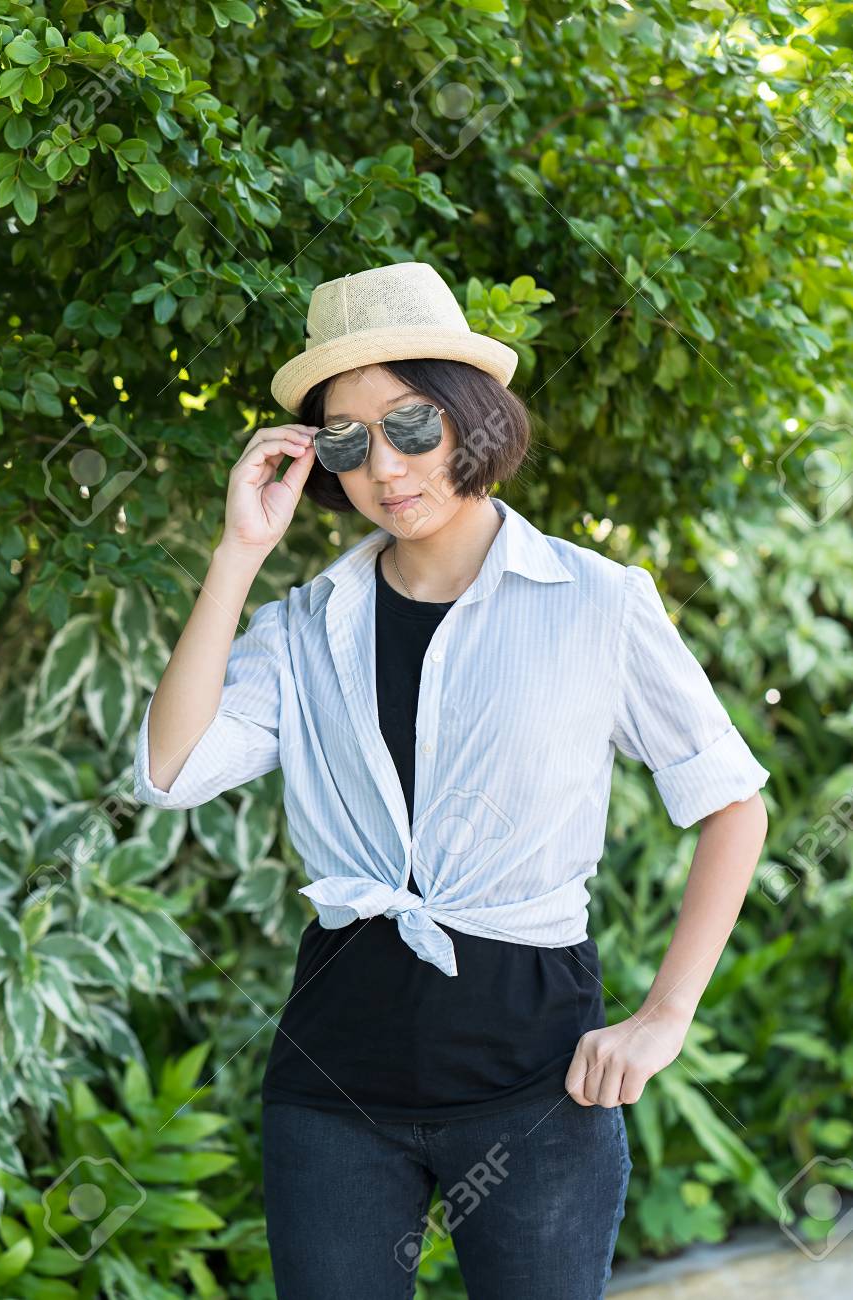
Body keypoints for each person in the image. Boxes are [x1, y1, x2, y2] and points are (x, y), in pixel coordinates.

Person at [133, 261, 770, 1299]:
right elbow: (171, 770)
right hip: (335, 1080)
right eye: (346, 440)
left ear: (469, 415)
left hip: (536, 1076)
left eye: (410, 423)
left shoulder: (593, 601)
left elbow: (729, 802)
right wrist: (240, 553)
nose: (384, 465)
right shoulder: (300, 628)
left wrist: (664, 1015)